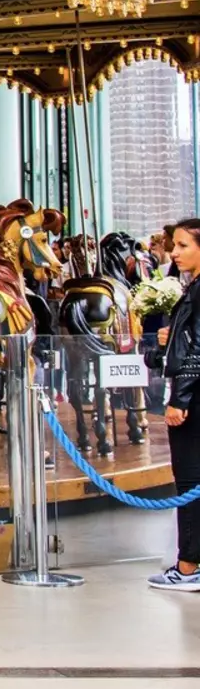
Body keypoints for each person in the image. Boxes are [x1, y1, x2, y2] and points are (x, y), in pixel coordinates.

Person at [151, 218, 200, 592]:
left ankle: (188, 567)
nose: (174, 252)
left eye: (183, 245)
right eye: (174, 245)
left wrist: (179, 399)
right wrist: (167, 340)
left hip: (193, 401)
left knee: (189, 480)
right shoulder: (192, 290)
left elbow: (197, 351)